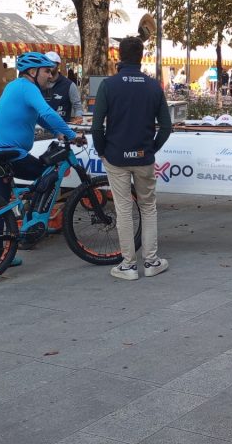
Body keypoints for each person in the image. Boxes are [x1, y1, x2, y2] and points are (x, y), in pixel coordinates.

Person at [0, 52, 78, 266]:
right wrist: (71, 135)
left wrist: (58, 132)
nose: (50, 76)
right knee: (49, 175)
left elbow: (39, 117)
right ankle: (32, 220)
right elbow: (47, 112)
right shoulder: (28, 87)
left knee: (0, 205)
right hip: (11, 153)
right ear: (33, 72)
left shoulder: (15, 86)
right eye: (47, 71)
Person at [91, 36, 173, 281]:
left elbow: (97, 126)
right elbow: (166, 127)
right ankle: (151, 261)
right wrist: (152, 149)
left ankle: (128, 265)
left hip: (116, 156)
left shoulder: (108, 85)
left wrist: (102, 150)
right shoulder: (153, 86)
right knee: (148, 207)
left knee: (124, 209)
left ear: (119, 55)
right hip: (144, 156)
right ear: (142, 56)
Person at [42, 51, 83, 124]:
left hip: (62, 126)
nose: (49, 66)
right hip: (41, 126)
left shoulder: (69, 85)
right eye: (46, 63)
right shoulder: (39, 83)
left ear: (58, 65)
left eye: (52, 63)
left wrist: (78, 117)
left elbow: (77, 105)